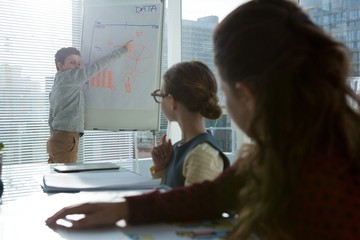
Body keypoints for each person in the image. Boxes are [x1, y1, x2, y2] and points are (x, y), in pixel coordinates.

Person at [46, 0, 360, 239]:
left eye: (224, 91)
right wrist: (125, 208)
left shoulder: (322, 183)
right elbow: (211, 195)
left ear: (246, 95)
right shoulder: (286, 149)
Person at [47, 40, 133, 163]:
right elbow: (96, 67)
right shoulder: (70, 77)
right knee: (67, 179)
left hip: (56, 139)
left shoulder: (57, 83)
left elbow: (51, 116)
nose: (77, 67)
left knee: (55, 178)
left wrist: (53, 136)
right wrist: (122, 51)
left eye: (78, 63)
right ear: (60, 65)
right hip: (65, 137)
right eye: (72, 62)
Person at [150, 61, 230, 187]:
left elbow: (190, 206)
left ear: (172, 101)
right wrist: (161, 168)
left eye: (160, 96)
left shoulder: (202, 155)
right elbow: (169, 197)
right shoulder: (181, 148)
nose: (160, 101)